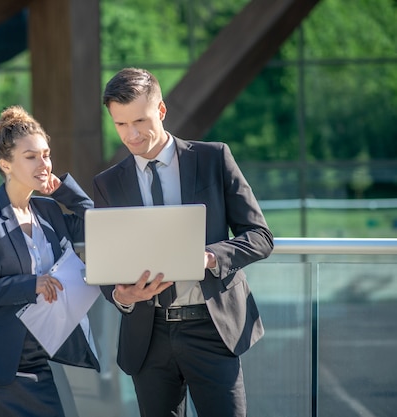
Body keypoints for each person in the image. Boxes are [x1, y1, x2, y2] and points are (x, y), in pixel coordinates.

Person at [93, 67, 274, 417]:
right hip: (148, 336)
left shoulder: (212, 158)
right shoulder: (108, 184)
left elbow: (260, 237)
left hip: (213, 327)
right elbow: (105, 266)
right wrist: (121, 296)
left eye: (140, 121)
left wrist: (207, 257)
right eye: (120, 124)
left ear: (161, 111)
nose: (131, 134)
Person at [0, 105, 99, 417]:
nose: (43, 163)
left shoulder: (50, 212)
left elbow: (101, 225)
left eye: (46, 154)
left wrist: (66, 192)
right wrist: (30, 285)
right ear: (5, 164)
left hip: (37, 363)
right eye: (31, 157)